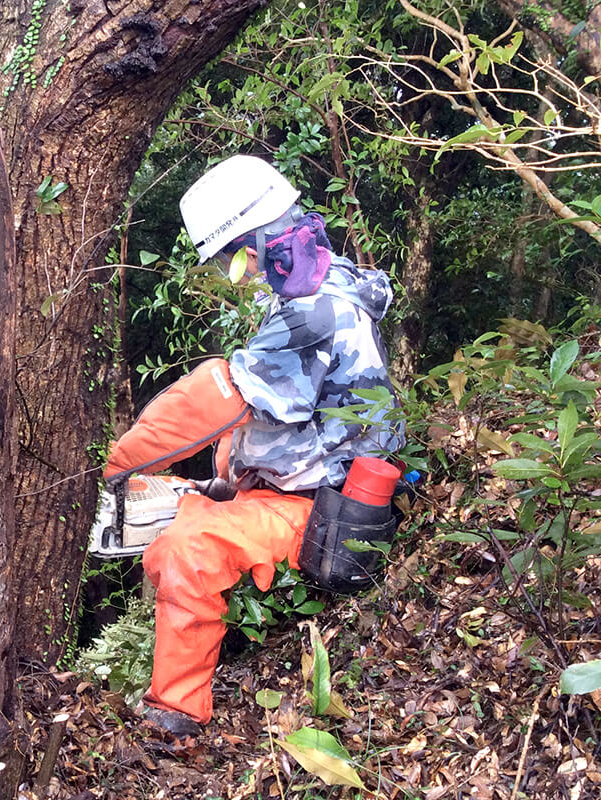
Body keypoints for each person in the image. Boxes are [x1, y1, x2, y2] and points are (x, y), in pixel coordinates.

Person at [105, 154, 404, 736]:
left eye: (232, 260)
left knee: (187, 549)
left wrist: (115, 465)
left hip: (324, 510)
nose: (232, 274)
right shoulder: (318, 286)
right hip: (290, 487)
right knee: (190, 495)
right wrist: (222, 480)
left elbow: (217, 399)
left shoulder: (316, 312)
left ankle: (175, 716)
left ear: (260, 244)